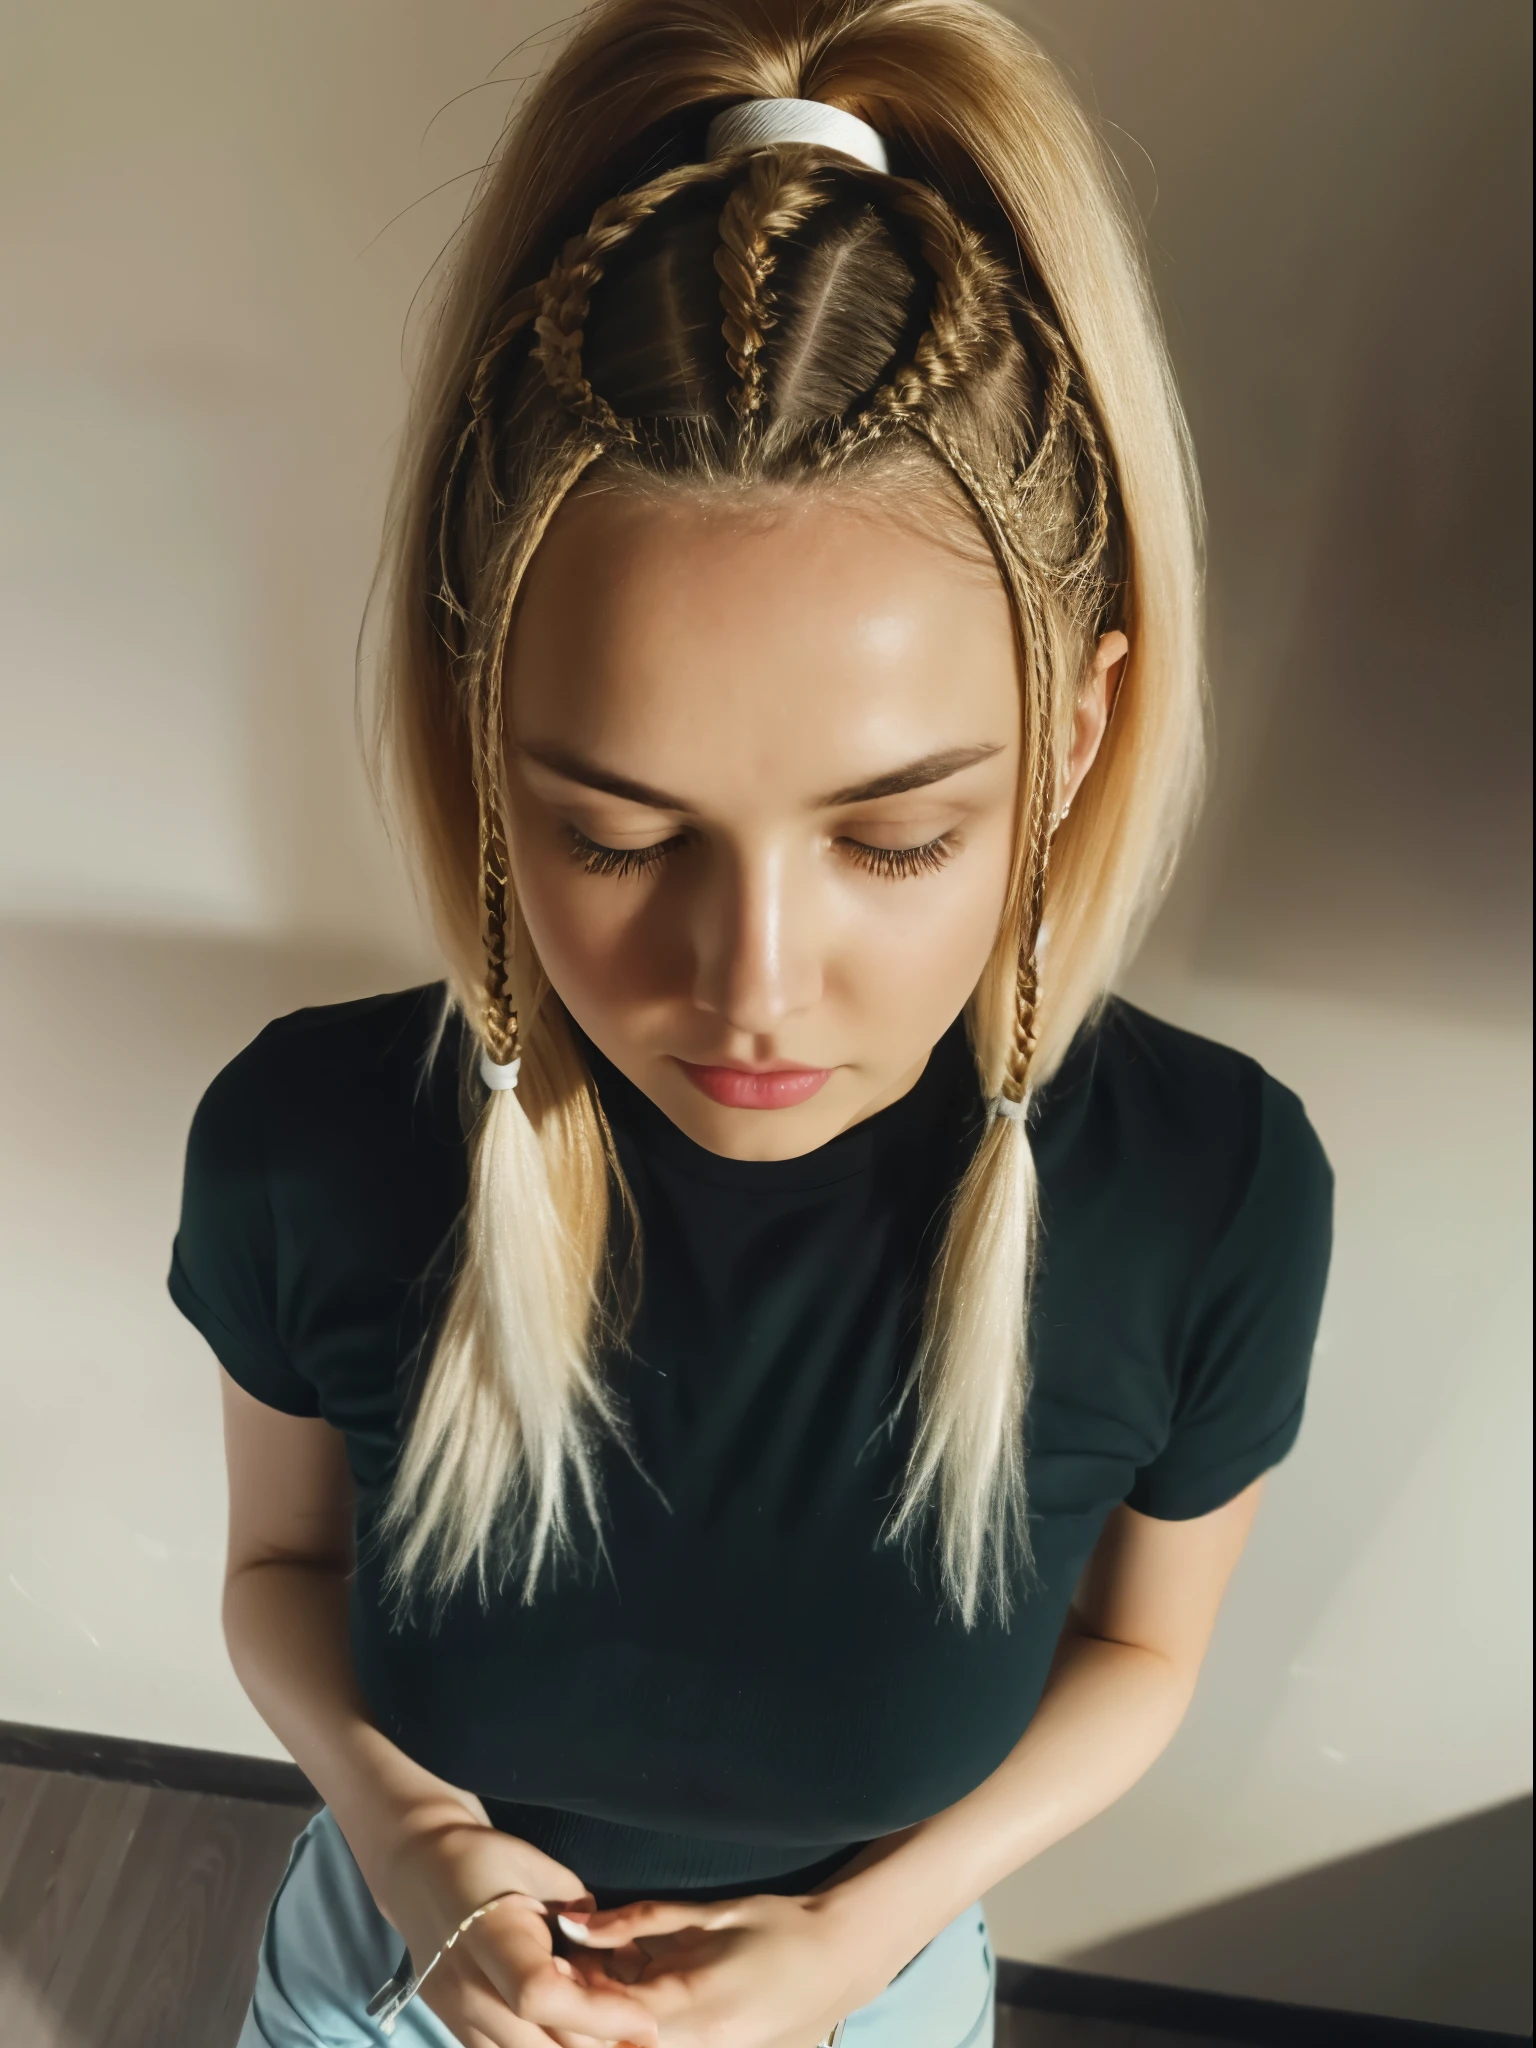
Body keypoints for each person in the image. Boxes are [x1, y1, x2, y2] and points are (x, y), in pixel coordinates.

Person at [168, 3, 1334, 2043]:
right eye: (617, 836)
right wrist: (421, 1846)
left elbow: (1144, 1656)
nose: (754, 986)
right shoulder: (310, 1144)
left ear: (1072, 740)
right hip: (392, 1980)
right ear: (483, 745)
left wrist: (864, 1935)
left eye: (895, 840)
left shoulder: (1210, 1194)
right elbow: (279, 1573)